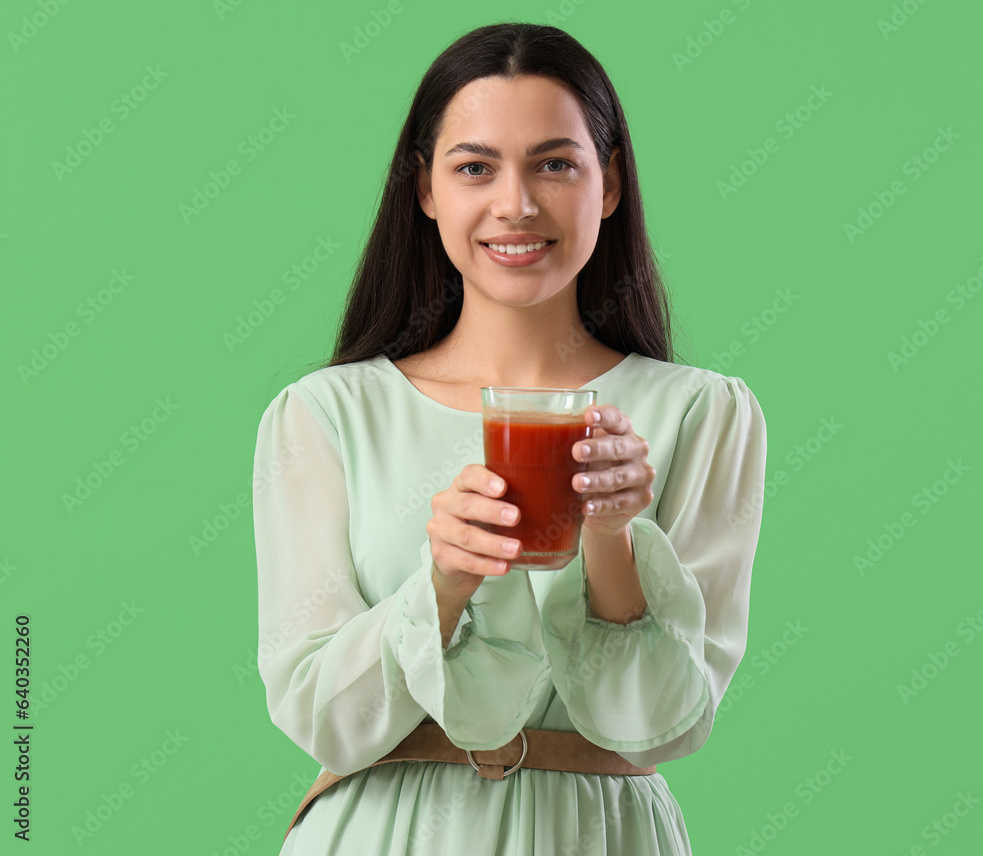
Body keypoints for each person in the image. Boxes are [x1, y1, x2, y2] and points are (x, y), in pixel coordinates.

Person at [252, 21, 767, 856]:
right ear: (425, 189)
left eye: (555, 164)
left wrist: (612, 535)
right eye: (474, 168)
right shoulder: (324, 414)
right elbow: (322, 715)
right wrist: (443, 582)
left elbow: (665, 720)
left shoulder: (704, 415)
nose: (516, 204)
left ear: (609, 186)